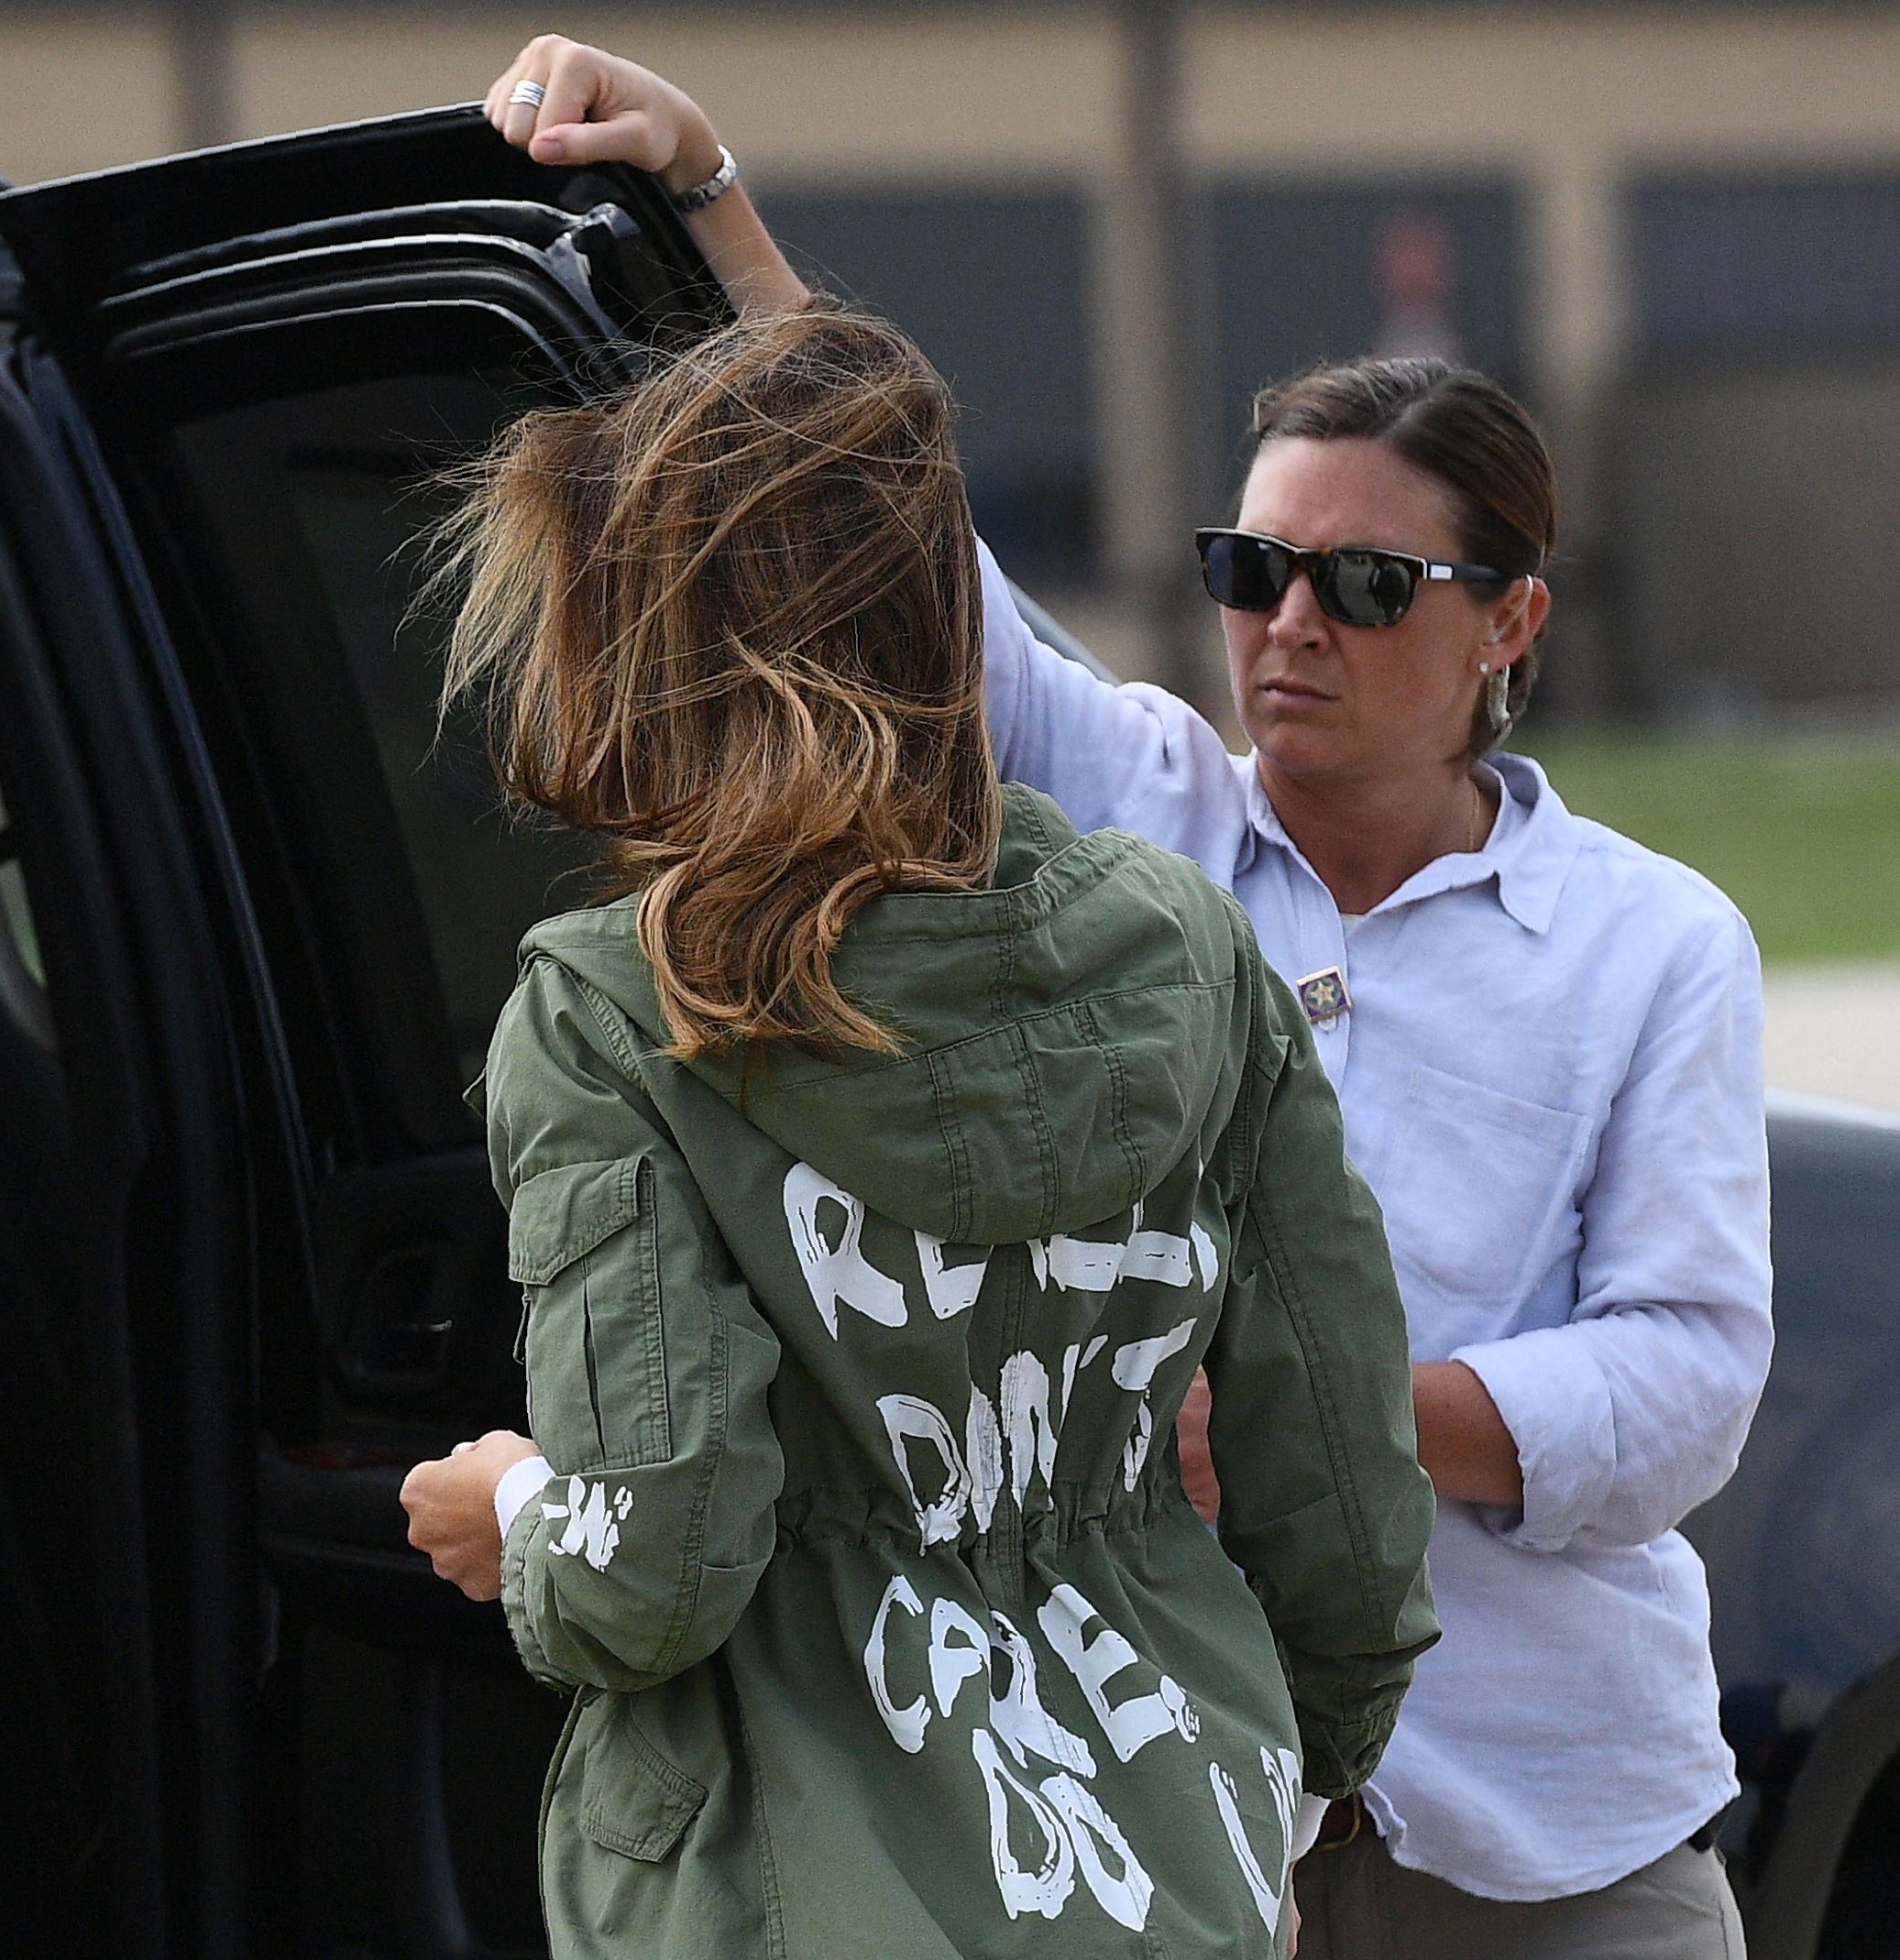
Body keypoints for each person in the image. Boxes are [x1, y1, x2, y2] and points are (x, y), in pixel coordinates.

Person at [408, 37, 1772, 1960]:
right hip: (1178, 1794)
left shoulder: (1654, 938)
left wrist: (1327, 1418)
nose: (1288, 625)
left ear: (1511, 620)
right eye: (1250, 567)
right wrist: (710, 195)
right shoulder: (1150, 814)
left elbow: (1693, 1378)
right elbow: (873, 545)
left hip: (1539, 1790)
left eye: (1363, 586)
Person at [407, 268, 1437, 1955]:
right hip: (1172, 1851)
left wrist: (513, 1508)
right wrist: (1281, 1784)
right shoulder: (1194, 945)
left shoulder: (610, 1013)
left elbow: (652, 1566)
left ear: (660, 641)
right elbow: (1338, 1475)